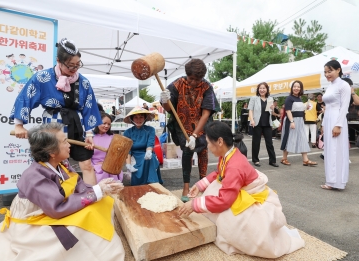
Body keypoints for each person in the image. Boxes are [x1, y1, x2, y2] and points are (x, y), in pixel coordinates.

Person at [0, 123, 125, 260]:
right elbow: (57, 209)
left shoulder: (61, 164)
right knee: (82, 223)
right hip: (35, 219)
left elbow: (80, 187)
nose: (69, 144)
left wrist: (101, 188)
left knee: (102, 203)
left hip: (53, 209)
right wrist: (97, 192)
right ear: (51, 152)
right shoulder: (34, 176)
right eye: (64, 141)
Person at [178, 121, 304, 258]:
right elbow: (219, 173)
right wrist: (200, 185)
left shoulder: (234, 166)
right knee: (212, 193)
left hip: (251, 197)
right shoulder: (229, 154)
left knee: (229, 222)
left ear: (220, 141)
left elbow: (224, 201)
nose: (207, 147)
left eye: (209, 143)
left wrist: (194, 204)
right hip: (239, 191)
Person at [10, 38, 102, 185]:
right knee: (55, 165)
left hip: (77, 125)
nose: (74, 69)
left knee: (87, 165)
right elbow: (25, 98)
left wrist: (90, 133)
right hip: (53, 125)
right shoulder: (42, 77)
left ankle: (92, 197)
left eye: (77, 65)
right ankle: (58, 200)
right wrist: (19, 125)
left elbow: (89, 106)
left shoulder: (83, 82)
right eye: (70, 65)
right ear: (58, 60)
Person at [160, 59, 220, 202]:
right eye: (191, 78)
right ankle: (186, 187)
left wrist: (195, 134)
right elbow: (169, 109)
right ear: (187, 74)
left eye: (197, 79)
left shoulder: (206, 87)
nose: (193, 82)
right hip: (183, 126)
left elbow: (206, 113)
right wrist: (164, 101)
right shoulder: (177, 84)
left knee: (203, 153)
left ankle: (203, 184)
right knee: (187, 155)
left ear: (202, 78)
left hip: (202, 127)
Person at [321, 60, 350, 190]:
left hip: (337, 119)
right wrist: (323, 123)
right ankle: (331, 180)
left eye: (330, 71)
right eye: (325, 72)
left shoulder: (343, 85)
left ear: (338, 70)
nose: (327, 74)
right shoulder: (330, 86)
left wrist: (338, 125)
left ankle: (337, 181)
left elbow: (344, 107)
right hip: (328, 119)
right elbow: (326, 106)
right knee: (329, 150)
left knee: (336, 150)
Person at [280, 81, 317, 166]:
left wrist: (305, 107)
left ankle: (305, 160)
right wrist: (292, 121)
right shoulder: (289, 98)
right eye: (294, 86)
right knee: (289, 138)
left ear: (301, 88)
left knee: (303, 138)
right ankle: (284, 158)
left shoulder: (299, 98)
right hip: (292, 120)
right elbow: (288, 110)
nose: (296, 88)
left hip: (300, 121)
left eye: (298, 87)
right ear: (292, 88)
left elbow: (298, 109)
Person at [123, 106, 163, 186]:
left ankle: (154, 184)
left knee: (150, 159)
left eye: (141, 117)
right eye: (136, 117)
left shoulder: (150, 129)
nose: (138, 120)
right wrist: (128, 165)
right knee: (136, 181)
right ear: (132, 119)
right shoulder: (127, 132)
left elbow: (150, 143)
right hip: (135, 156)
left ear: (145, 118)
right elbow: (128, 150)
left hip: (147, 153)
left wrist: (149, 151)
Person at [248, 82, 278, 167]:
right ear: (258, 89)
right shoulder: (254, 98)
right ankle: (255, 160)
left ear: (267, 89)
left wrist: (272, 109)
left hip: (267, 123)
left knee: (269, 143)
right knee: (256, 142)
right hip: (257, 123)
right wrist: (252, 120)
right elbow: (250, 110)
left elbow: (271, 112)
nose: (262, 90)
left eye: (264, 88)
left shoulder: (270, 99)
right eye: (260, 88)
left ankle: (272, 161)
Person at [91, 112, 123, 183]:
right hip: (95, 168)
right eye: (104, 123)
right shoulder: (90, 138)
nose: (106, 126)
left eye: (109, 124)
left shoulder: (114, 137)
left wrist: (108, 162)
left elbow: (117, 155)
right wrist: (93, 166)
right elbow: (86, 157)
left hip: (110, 167)